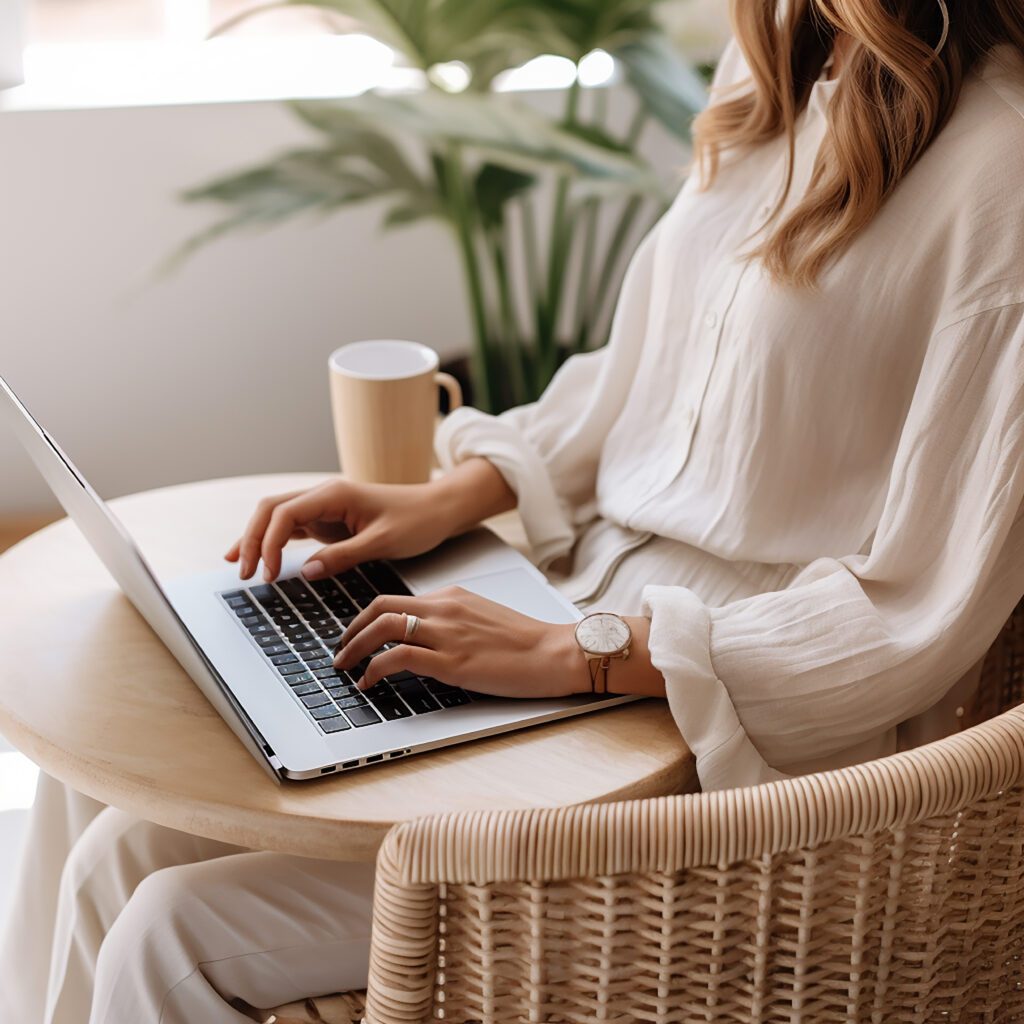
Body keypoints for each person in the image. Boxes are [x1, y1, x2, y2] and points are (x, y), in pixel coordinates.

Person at [5, 2, 1024, 1020]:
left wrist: (574, 651)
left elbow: (911, 620)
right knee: (113, 826)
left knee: (171, 930)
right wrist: (452, 496)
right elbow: (646, 379)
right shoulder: (776, 68)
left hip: (737, 773)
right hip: (562, 633)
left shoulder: (999, 171)